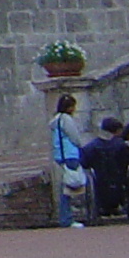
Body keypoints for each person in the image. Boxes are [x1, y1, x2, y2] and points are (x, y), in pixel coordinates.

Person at [50, 94, 88, 228]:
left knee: (66, 186)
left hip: (60, 155)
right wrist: (80, 145)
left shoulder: (56, 120)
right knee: (72, 186)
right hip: (70, 154)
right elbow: (74, 137)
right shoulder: (66, 119)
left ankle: (67, 217)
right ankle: (68, 218)